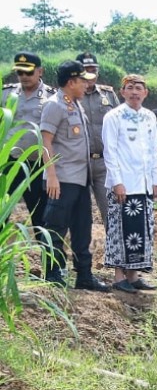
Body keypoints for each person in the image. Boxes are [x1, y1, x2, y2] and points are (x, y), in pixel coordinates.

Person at [38, 60, 110, 291]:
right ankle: (53, 273)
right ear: (71, 82)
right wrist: (51, 175)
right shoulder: (54, 105)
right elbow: (45, 141)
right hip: (62, 179)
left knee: (82, 228)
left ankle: (84, 276)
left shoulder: (75, 104)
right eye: (82, 81)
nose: (86, 86)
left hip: (81, 178)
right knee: (56, 227)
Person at [101, 73, 157, 293]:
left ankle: (134, 276)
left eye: (139, 88)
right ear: (122, 91)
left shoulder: (149, 117)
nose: (135, 92)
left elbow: (152, 151)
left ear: (146, 92)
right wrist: (117, 182)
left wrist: (155, 180)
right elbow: (110, 151)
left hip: (143, 183)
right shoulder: (114, 116)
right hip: (123, 183)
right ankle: (118, 277)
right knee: (120, 230)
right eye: (130, 87)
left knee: (140, 232)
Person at [1, 52, 55, 233]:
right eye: (19, 73)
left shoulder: (51, 97)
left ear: (40, 71)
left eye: (28, 72)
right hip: (10, 163)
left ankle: (48, 260)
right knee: (2, 214)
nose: (23, 77)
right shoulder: (7, 94)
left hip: (37, 166)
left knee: (41, 220)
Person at [76, 52, 121, 233]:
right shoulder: (69, 97)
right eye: (86, 70)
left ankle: (115, 254)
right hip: (79, 163)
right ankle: (82, 254)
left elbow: (121, 125)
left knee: (111, 210)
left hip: (104, 163)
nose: (90, 74)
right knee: (80, 212)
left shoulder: (108, 95)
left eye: (93, 70)